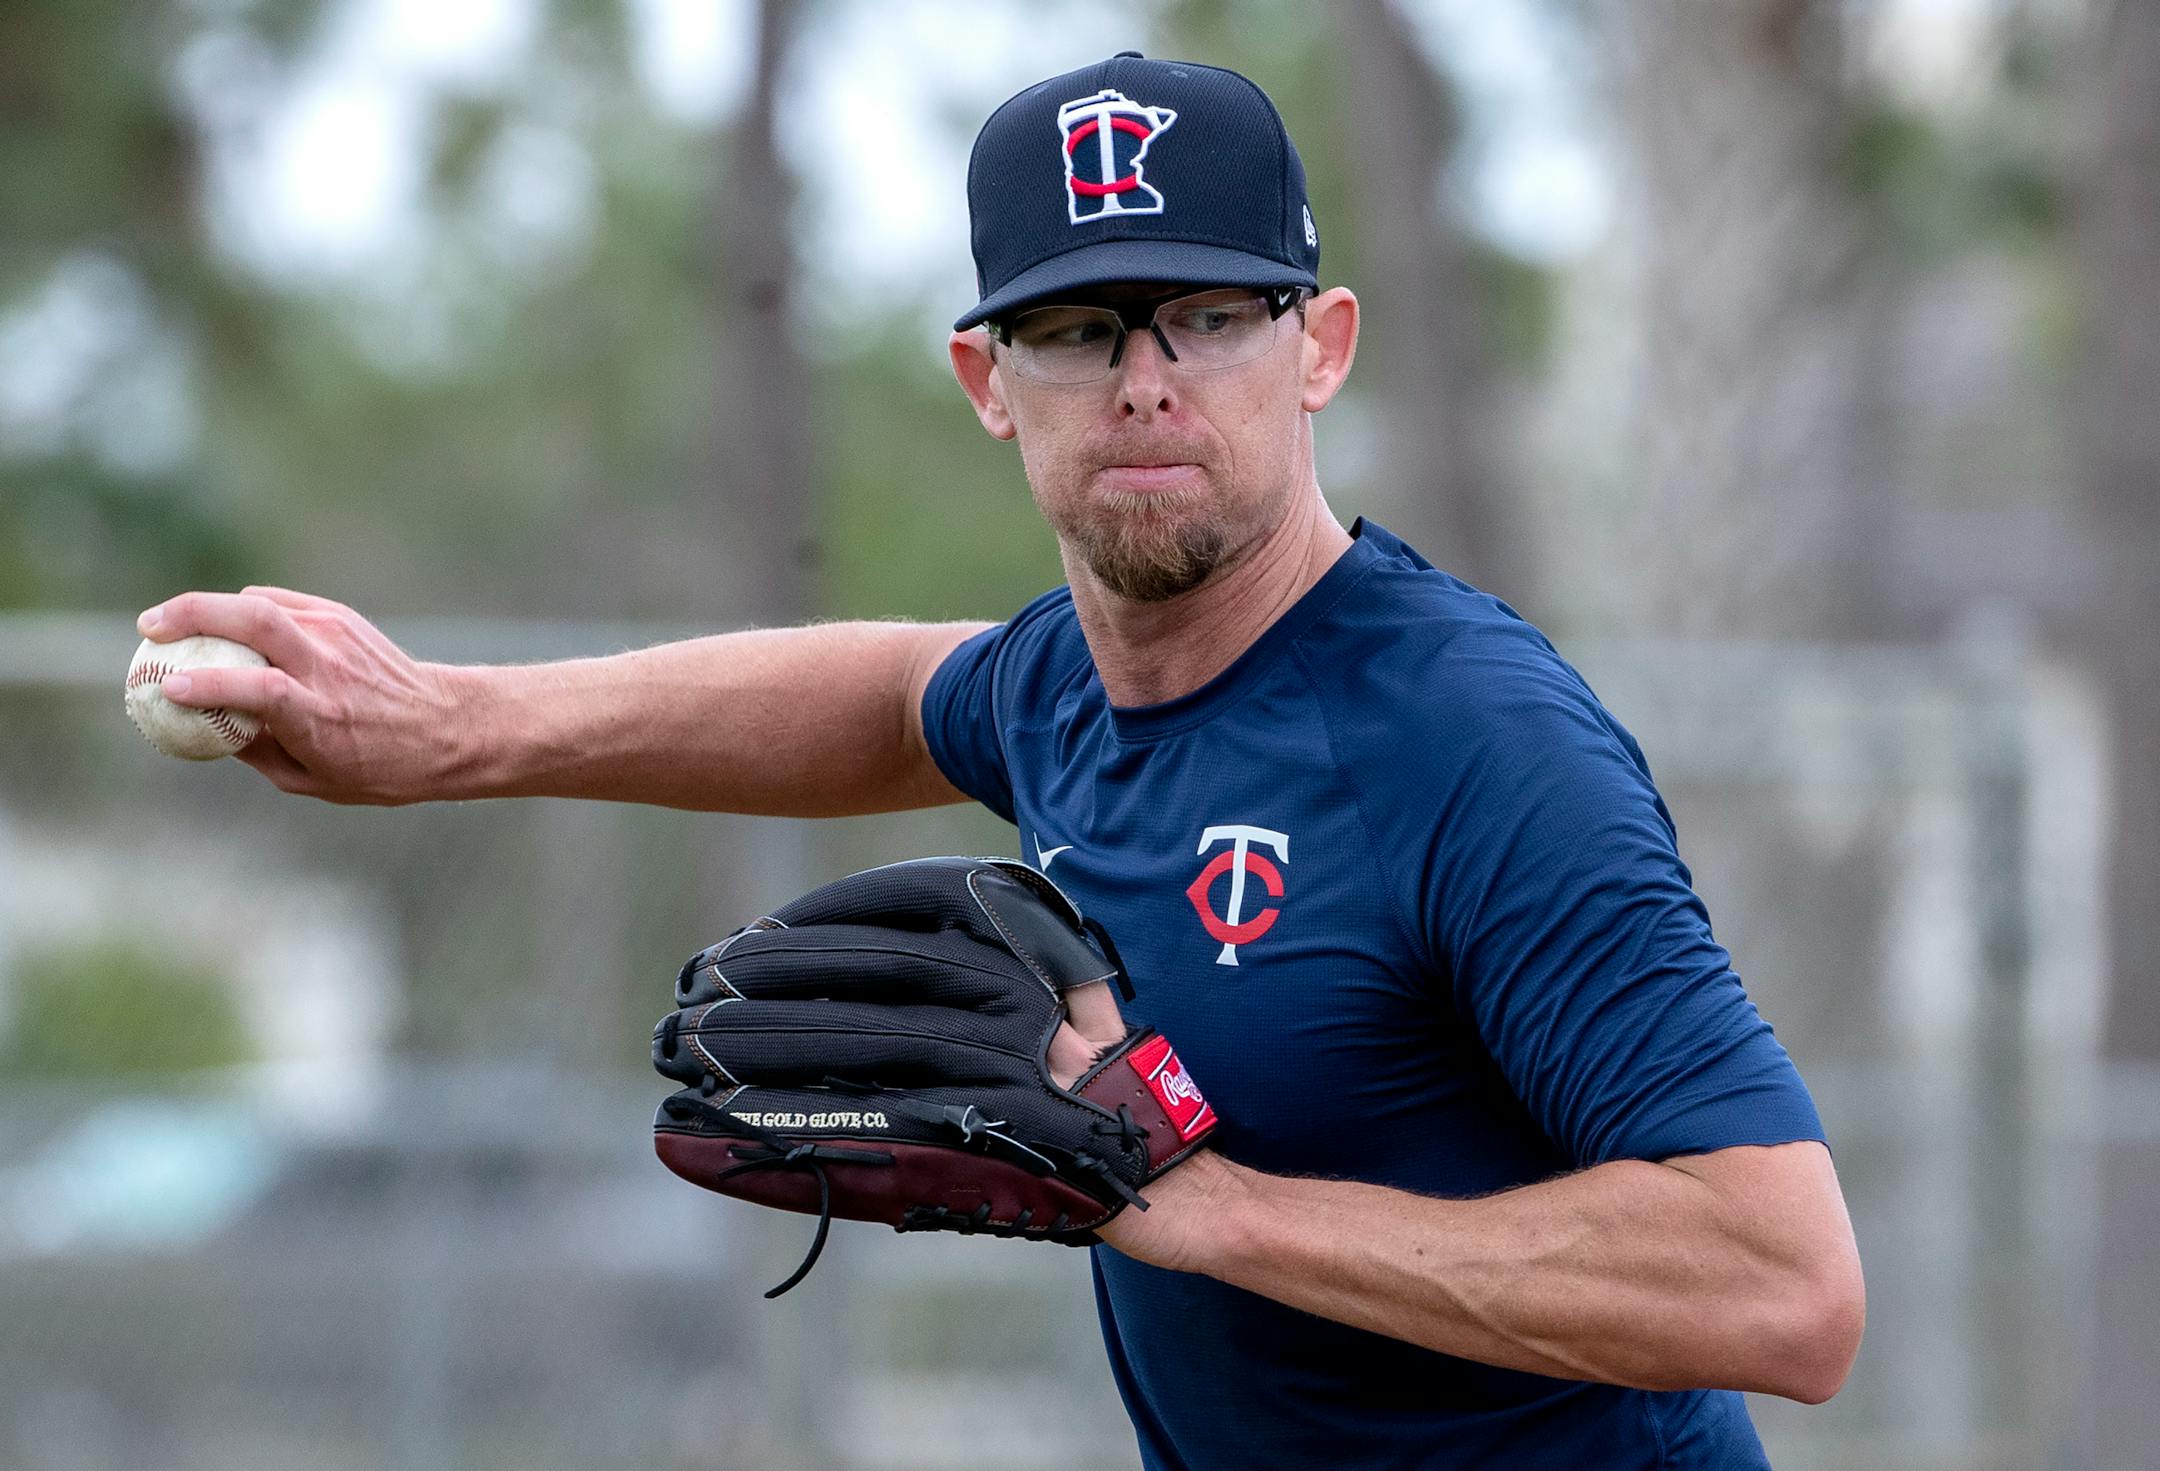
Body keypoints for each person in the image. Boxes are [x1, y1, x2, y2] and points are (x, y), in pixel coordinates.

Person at [140, 51, 1863, 1471]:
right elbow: (896, 692)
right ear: (987, 378)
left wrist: (1205, 1206)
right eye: (1077, 327)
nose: (1143, 380)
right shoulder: (1065, 691)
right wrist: (452, 730)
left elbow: (1783, 1286)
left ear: (1319, 345)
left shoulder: (1462, 742)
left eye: (1204, 313)